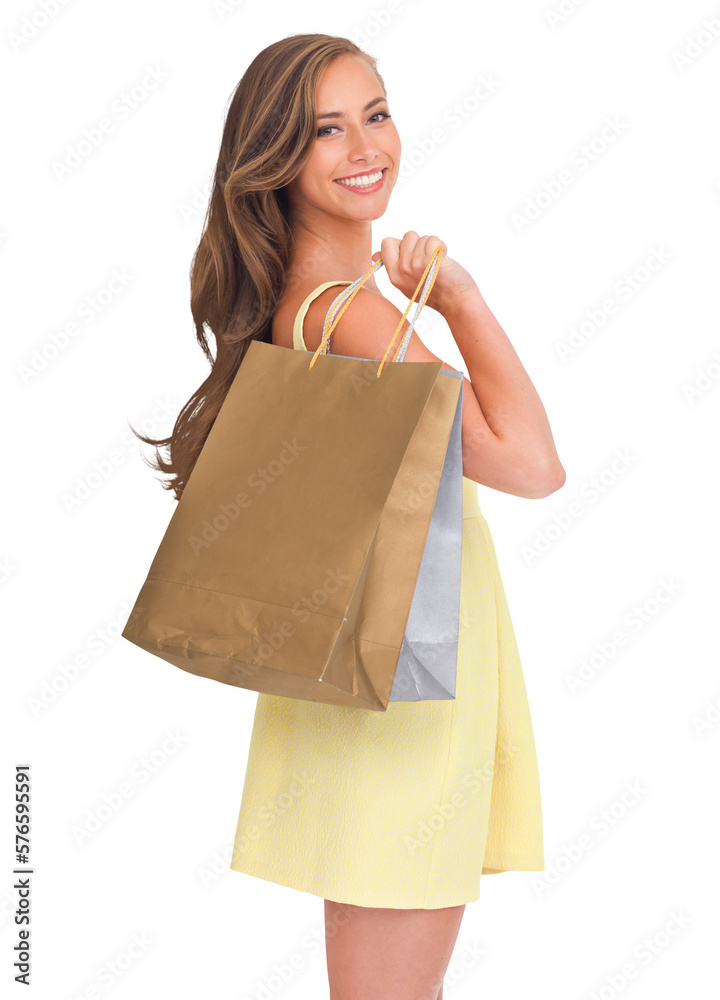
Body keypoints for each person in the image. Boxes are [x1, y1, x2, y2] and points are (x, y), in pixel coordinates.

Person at [136, 32, 565, 1000]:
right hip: (408, 680)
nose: (365, 145)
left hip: (360, 673)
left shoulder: (304, 303)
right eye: (324, 130)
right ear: (274, 159)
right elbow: (534, 467)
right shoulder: (353, 316)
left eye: (375, 113)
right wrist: (458, 295)